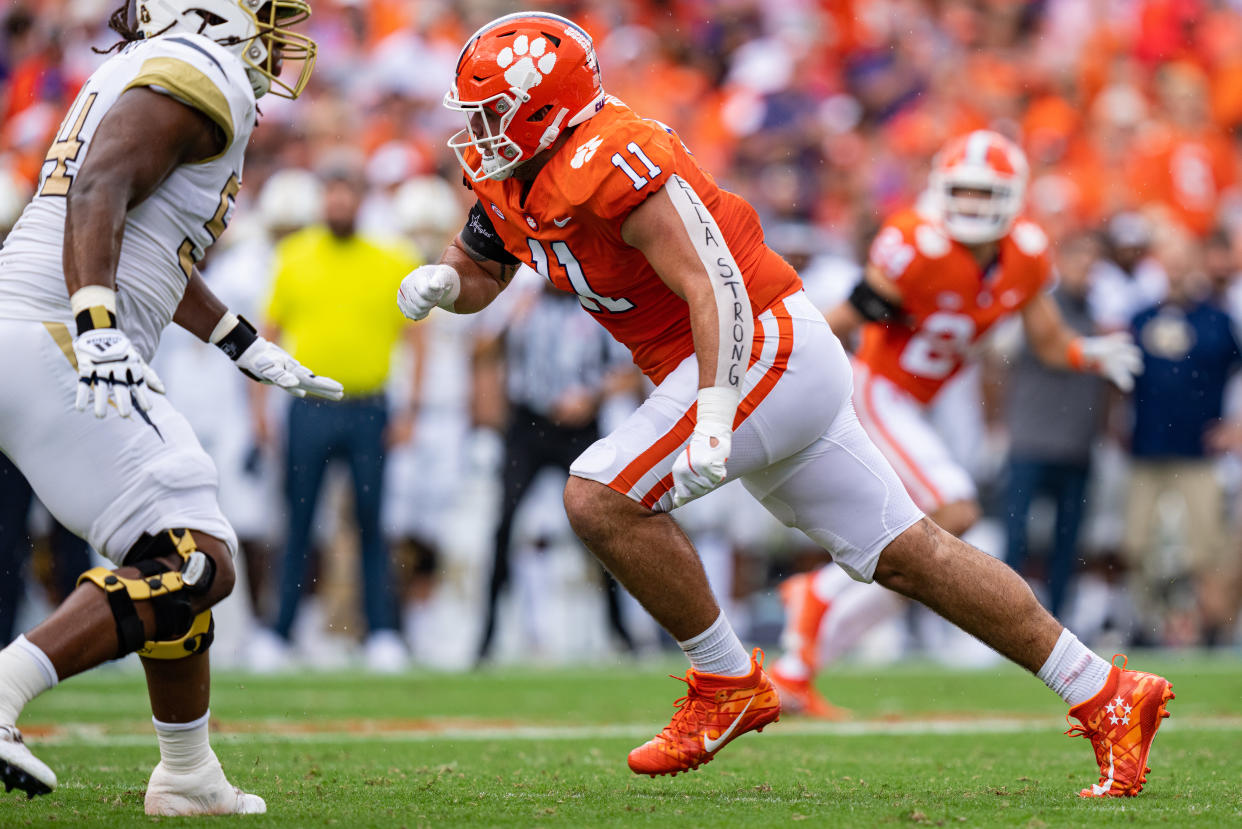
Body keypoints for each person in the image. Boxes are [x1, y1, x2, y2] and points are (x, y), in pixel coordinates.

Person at [398, 12, 1173, 797]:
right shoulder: (512, 170)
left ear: (544, 106)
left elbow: (715, 285)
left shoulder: (611, 154)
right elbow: (483, 269)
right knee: (913, 554)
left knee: (599, 495)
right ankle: (1108, 692)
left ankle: (726, 680)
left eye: (492, 110)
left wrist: (711, 406)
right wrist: (443, 283)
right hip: (752, 358)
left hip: (755, 342)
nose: (477, 131)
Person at [0, 0, 342, 815]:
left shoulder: (157, 65)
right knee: (198, 557)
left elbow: (143, 235)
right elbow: (101, 186)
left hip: (32, 334)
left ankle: (187, 772)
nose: (274, 22)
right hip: (55, 337)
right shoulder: (204, 66)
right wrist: (95, 322)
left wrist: (237, 338)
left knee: (166, 552)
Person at [772, 131, 1141, 715]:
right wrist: (786, 359)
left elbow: (1047, 340)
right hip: (881, 387)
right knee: (955, 511)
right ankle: (816, 594)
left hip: (933, 400)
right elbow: (849, 313)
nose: (969, 205)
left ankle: (798, 666)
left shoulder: (1024, 252)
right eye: (961, 191)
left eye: (983, 192)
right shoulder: (916, 242)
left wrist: (1087, 354)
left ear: (1010, 196)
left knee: (923, 555)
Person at [252, 152, 424, 673]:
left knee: (373, 523)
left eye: (347, 195)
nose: (339, 203)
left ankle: (383, 633)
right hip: (308, 408)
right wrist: (260, 406)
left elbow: (418, 338)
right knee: (298, 521)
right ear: (322, 201)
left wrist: (411, 407)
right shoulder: (295, 256)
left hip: (370, 407)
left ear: (361, 201)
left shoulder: (390, 258)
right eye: (332, 195)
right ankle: (278, 633)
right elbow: (269, 336)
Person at [473, 269, 637, 664]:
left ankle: (621, 631)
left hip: (580, 429)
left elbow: (629, 372)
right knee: (503, 524)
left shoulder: (597, 308)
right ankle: (486, 636)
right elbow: (480, 351)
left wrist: (591, 398)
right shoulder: (521, 305)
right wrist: (512, 314)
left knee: (600, 525)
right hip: (527, 425)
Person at [1125, 226, 1242, 646]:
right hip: (1146, 451)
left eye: (1182, 261)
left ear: (1194, 265)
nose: (1175, 270)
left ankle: (1209, 633)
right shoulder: (1140, 318)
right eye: (1168, 261)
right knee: (1137, 546)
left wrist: (1236, 425)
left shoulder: (1217, 320)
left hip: (1199, 454)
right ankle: (1150, 627)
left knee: (1204, 552)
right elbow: (1119, 381)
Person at [1002, 231, 1109, 619]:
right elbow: (1019, 360)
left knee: (1068, 545)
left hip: (1075, 447)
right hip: (1032, 442)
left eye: (1091, 262)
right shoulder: (1042, 307)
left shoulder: (1094, 314)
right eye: (1080, 259)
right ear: (1061, 263)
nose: (1086, 269)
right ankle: (1007, 621)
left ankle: (1057, 624)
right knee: (1017, 541)